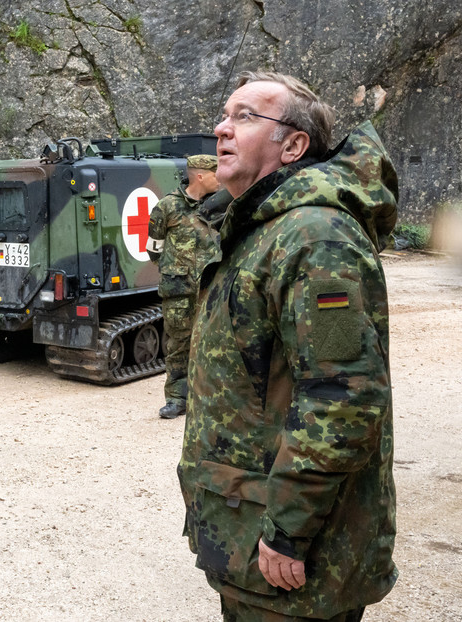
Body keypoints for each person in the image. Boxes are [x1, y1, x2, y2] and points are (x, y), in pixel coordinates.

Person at [178, 71, 398, 621]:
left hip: (292, 564)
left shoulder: (315, 238)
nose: (221, 129)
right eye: (224, 115)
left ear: (293, 145)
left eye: (245, 116)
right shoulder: (261, 232)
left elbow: (343, 396)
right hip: (245, 532)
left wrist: (289, 530)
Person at [146, 154, 221, 419]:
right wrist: (177, 269)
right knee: (179, 345)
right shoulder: (167, 207)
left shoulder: (221, 205)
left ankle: (209, 399)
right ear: (199, 175)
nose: (220, 179)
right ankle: (177, 399)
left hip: (212, 288)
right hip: (178, 291)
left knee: (214, 345)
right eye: (215, 174)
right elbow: (153, 249)